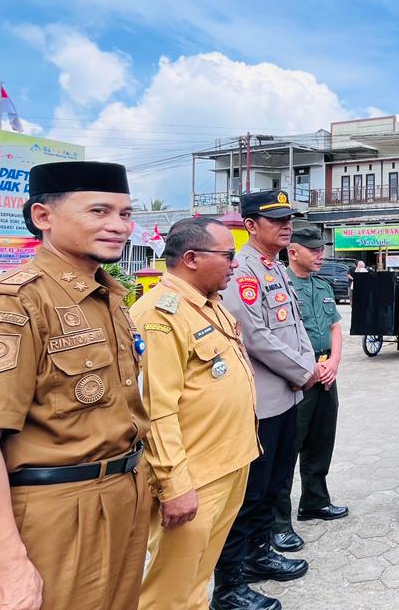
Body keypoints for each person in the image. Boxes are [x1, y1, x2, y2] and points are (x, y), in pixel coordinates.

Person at [0, 161, 151, 610]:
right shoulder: (9, 306)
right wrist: (2, 566)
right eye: (99, 211)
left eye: (126, 214)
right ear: (43, 217)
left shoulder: (106, 299)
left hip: (120, 499)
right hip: (51, 516)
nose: (118, 226)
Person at [132, 218, 260, 610]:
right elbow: (156, 410)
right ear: (191, 258)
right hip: (193, 478)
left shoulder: (209, 304)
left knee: (198, 578)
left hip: (229, 463)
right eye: (228, 255)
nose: (235, 264)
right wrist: (173, 486)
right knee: (171, 589)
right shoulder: (159, 316)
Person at [215, 190, 329, 610]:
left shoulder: (275, 269)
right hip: (262, 399)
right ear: (250, 226)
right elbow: (254, 336)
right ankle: (233, 578)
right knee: (251, 490)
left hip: (287, 396)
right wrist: (306, 372)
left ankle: (261, 554)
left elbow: (294, 328)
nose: (286, 226)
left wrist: (308, 369)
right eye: (276, 220)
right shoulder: (243, 272)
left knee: (275, 483)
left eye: (288, 219)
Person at [270, 227, 348, 555]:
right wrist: (308, 369)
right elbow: (276, 334)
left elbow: (334, 327)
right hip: (297, 378)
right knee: (286, 451)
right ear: (294, 252)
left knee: (320, 442)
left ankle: (315, 501)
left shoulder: (323, 285)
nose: (320, 255)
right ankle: (278, 524)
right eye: (313, 250)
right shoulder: (279, 286)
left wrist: (333, 364)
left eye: (321, 250)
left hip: (325, 374)